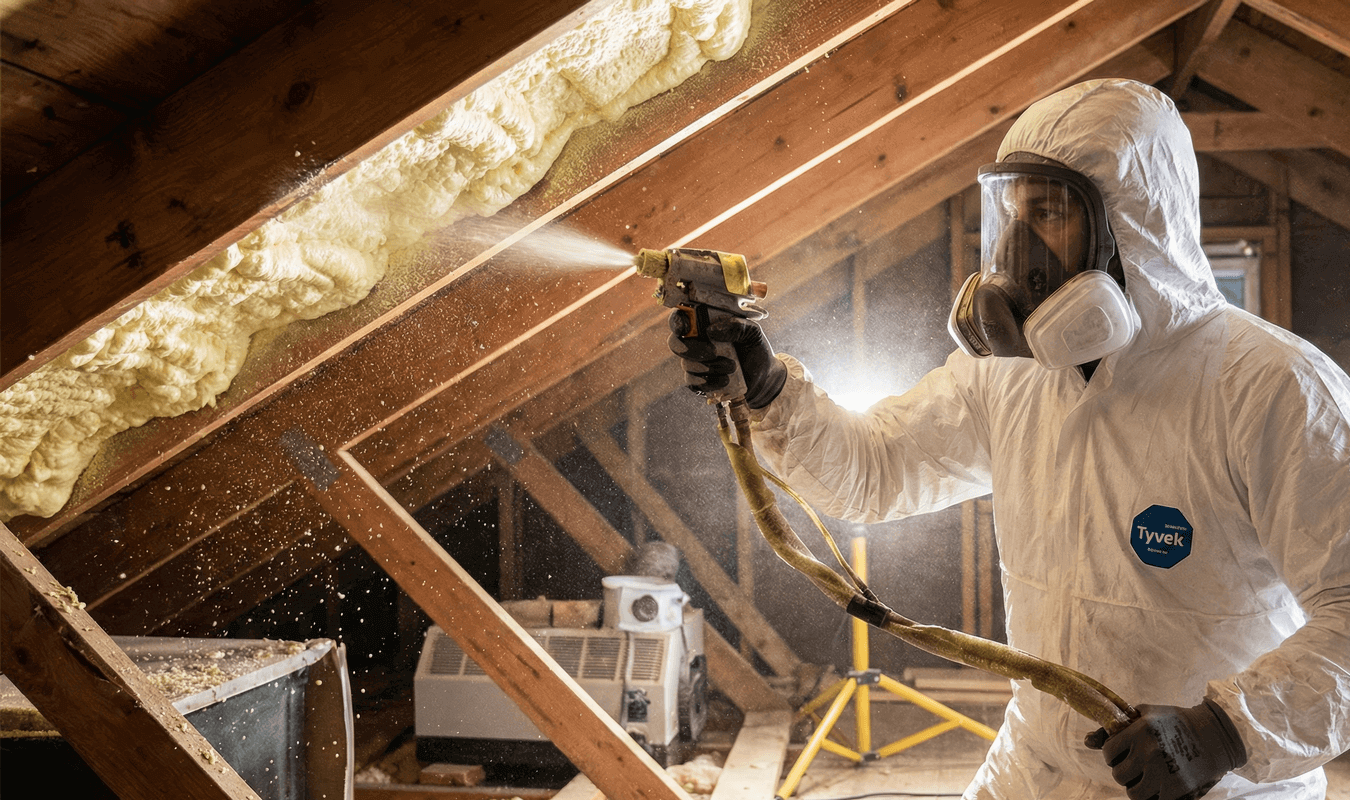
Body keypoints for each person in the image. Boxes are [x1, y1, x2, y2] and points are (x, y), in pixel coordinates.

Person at [668, 79, 1350, 799]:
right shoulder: (1009, 377)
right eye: (1012, 211)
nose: (1020, 246)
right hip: (1037, 765)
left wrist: (1227, 730)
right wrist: (770, 388)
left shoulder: (1273, 389)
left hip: (1217, 786)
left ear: (1133, 223)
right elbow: (875, 472)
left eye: (1051, 212)